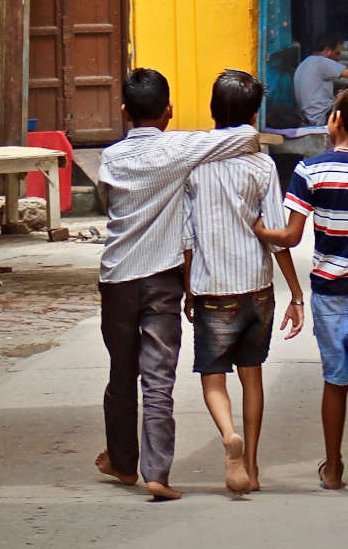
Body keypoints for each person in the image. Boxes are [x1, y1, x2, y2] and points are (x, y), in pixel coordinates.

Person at [94, 68, 260, 501]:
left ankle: (123, 462)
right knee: (158, 379)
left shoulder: (109, 158)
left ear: (125, 111)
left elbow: (106, 197)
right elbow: (246, 138)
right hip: (162, 281)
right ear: (169, 110)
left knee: (121, 375)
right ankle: (158, 473)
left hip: (116, 280)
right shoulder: (180, 149)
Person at [253, 84, 348, 505]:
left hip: (329, 294)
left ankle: (334, 466)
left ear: (335, 119)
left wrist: (260, 231)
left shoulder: (310, 170)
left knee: (335, 381)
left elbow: (290, 234)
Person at [181, 70, 305, 496]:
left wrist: (188, 288)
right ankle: (251, 465)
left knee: (213, 376)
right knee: (252, 376)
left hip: (214, 288)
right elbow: (275, 234)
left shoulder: (194, 166)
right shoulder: (262, 165)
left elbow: (187, 238)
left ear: (213, 112)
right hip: (258, 288)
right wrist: (296, 292)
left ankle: (228, 435)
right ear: (253, 115)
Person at [293, 35, 348, 127]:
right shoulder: (321, 61)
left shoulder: (303, 64)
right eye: (337, 53)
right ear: (327, 50)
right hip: (322, 117)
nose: (338, 58)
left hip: (308, 118)